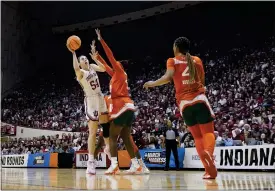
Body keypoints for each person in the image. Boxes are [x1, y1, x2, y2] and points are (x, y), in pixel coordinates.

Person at [143, 37, 217, 179]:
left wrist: (152, 83)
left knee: (197, 137)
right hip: (200, 99)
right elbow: (201, 80)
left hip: (184, 104)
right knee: (208, 133)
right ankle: (209, 152)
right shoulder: (197, 60)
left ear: (176, 47)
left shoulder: (172, 60)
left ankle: (210, 171)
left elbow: (168, 77)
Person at [94, 28, 141, 175]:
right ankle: (136, 165)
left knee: (113, 137)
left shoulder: (120, 72)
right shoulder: (116, 75)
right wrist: (96, 55)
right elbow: (106, 66)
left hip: (121, 105)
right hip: (129, 107)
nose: (115, 64)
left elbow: (110, 56)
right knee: (126, 138)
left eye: (117, 63)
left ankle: (114, 165)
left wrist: (101, 40)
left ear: (120, 66)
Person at [67, 42, 110, 175]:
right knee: (93, 131)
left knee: (106, 125)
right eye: (82, 59)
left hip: (100, 97)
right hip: (91, 101)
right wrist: (74, 53)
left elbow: (103, 69)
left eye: (85, 58)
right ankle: (90, 162)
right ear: (80, 63)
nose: (85, 59)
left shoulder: (91, 66)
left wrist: (95, 58)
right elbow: (75, 68)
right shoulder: (81, 73)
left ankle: (108, 148)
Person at [93, 94, 150, 174]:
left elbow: (103, 118)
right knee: (129, 142)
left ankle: (95, 164)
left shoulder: (103, 101)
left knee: (101, 144)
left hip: (114, 120)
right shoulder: (112, 97)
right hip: (123, 115)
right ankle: (141, 165)